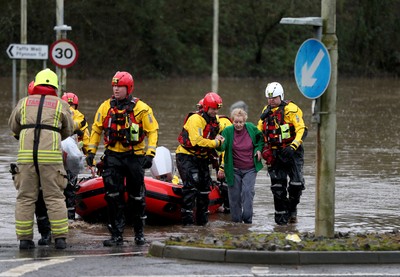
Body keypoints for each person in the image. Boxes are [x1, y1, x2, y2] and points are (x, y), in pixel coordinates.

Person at [86, 71, 159, 246]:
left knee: (137, 197)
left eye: (120, 86)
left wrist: (150, 154)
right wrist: (90, 152)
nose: (116, 89)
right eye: (114, 86)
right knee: (113, 196)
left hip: (134, 157)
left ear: (129, 88)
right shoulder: (105, 107)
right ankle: (116, 235)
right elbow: (96, 130)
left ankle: (139, 233)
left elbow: (152, 131)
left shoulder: (142, 108)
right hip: (113, 157)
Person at [8, 68, 74, 250]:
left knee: (25, 198)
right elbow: (69, 129)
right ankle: (60, 239)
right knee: (54, 197)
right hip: (51, 158)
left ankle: (24, 240)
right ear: (55, 86)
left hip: (26, 158)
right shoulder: (61, 104)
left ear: (35, 84)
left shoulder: (24, 102)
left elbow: (13, 125)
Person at [257, 82, 308, 225]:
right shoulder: (266, 112)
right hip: (275, 153)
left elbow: (301, 129)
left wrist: (293, 146)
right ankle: (280, 223)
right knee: (277, 188)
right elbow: (259, 131)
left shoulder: (292, 110)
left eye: (274, 98)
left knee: (296, 184)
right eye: (269, 98)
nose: (271, 100)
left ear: (281, 96)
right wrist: (260, 149)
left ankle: (292, 210)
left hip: (292, 152)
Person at [176, 92, 225, 226]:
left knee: (204, 189)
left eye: (217, 109)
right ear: (206, 107)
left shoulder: (216, 121)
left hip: (202, 158)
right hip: (187, 156)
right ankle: (187, 223)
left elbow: (221, 135)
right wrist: (215, 143)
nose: (215, 111)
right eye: (213, 109)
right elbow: (197, 141)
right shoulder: (196, 120)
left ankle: (202, 222)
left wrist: (221, 141)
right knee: (191, 188)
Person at [217, 108, 264, 223]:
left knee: (248, 192)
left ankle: (247, 221)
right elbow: (222, 148)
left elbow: (261, 138)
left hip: (250, 169)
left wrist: (258, 149)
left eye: (241, 122)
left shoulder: (251, 128)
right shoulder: (228, 131)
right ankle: (236, 224)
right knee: (234, 197)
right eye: (236, 122)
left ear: (244, 121)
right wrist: (218, 142)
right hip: (233, 170)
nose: (238, 125)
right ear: (232, 121)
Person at [62, 92, 90, 220]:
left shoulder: (56, 113)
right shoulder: (80, 117)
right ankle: (70, 219)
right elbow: (87, 142)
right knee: (70, 189)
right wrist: (91, 161)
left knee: (54, 190)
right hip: (72, 159)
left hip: (56, 156)